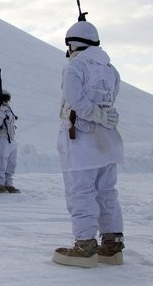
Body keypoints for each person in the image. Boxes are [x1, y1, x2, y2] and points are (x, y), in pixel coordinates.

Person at [52, 18, 125, 268]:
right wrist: (103, 116)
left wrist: (94, 115)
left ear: (73, 43)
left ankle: (85, 246)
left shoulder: (75, 66)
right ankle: (112, 246)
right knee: (106, 193)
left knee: (80, 192)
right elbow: (112, 97)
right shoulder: (110, 68)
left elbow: (75, 99)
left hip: (81, 138)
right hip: (107, 138)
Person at [0, 90, 20, 193]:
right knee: (0, 163)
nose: (6, 102)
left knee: (11, 164)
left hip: (10, 139)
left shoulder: (9, 111)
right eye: (4, 100)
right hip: (0, 139)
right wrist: (0, 113)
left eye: (7, 100)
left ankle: (8, 184)